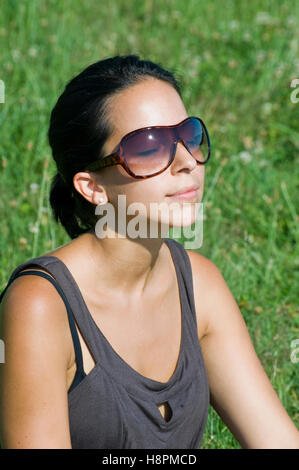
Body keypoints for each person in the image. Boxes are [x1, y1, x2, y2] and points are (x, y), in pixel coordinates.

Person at [0, 55, 298, 449]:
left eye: (187, 136)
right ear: (92, 187)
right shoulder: (39, 306)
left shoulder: (200, 284)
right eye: (148, 146)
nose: (186, 161)